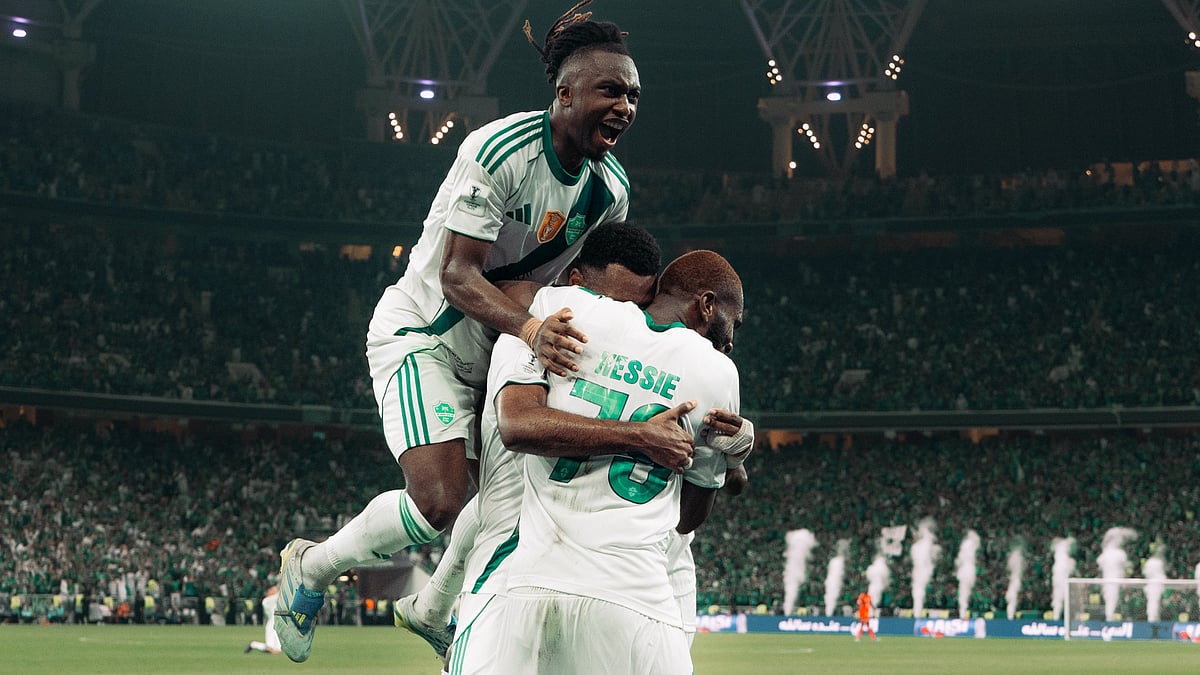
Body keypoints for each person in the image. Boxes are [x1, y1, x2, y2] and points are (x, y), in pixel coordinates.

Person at [273, 0, 643, 663]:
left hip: (502, 350)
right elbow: (458, 276)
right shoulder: (500, 148)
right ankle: (313, 565)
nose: (625, 106)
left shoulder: (609, 190)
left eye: (634, 95)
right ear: (564, 93)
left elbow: (582, 287)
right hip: (428, 335)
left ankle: (432, 607)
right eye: (611, 89)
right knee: (441, 498)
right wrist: (531, 326)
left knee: (508, 494)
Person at [392, 220, 663, 662]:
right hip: (508, 557)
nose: (618, 315)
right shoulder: (538, 323)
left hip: (568, 567)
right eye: (607, 300)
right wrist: (639, 437)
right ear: (574, 281)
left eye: (634, 308)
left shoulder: (624, 352)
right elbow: (518, 425)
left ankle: (431, 606)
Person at [481, 250, 745, 674]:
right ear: (707, 304)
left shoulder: (565, 308)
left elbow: (516, 425)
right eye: (733, 322)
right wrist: (711, 458)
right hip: (633, 595)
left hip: (532, 588)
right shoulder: (717, 372)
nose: (730, 340)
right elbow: (688, 517)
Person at [245, 586, 282, 655]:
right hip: (272, 624)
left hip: (277, 623)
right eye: (273, 590)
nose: (275, 591)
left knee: (278, 650)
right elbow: (279, 594)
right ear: (268, 592)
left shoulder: (273, 600)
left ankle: (253, 644)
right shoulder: (267, 600)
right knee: (272, 649)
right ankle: (253, 644)